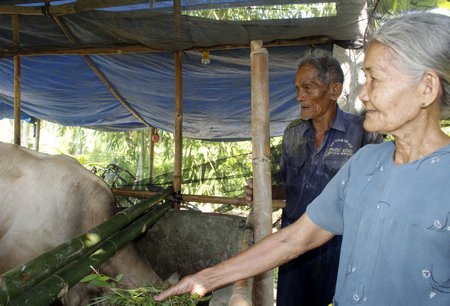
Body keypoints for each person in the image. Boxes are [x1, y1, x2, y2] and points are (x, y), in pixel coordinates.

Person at [154, 12, 450, 306]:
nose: (364, 95)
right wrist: (206, 278)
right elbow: (295, 238)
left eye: (375, 79)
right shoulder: (365, 164)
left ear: (426, 87)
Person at [244, 55, 382, 306]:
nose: (299, 96)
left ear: (333, 90)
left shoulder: (362, 132)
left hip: (338, 247)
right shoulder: (293, 134)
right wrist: (264, 191)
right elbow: (288, 186)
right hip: (293, 242)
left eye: (307, 88)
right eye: (297, 89)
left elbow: (373, 196)